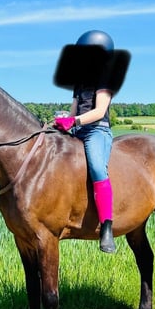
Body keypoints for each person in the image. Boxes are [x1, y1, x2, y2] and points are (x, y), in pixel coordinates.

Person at [53, 30, 117, 253]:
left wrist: (74, 121)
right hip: (79, 131)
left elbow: (99, 111)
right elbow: (72, 110)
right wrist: (61, 122)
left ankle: (107, 227)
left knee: (98, 169)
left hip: (96, 131)